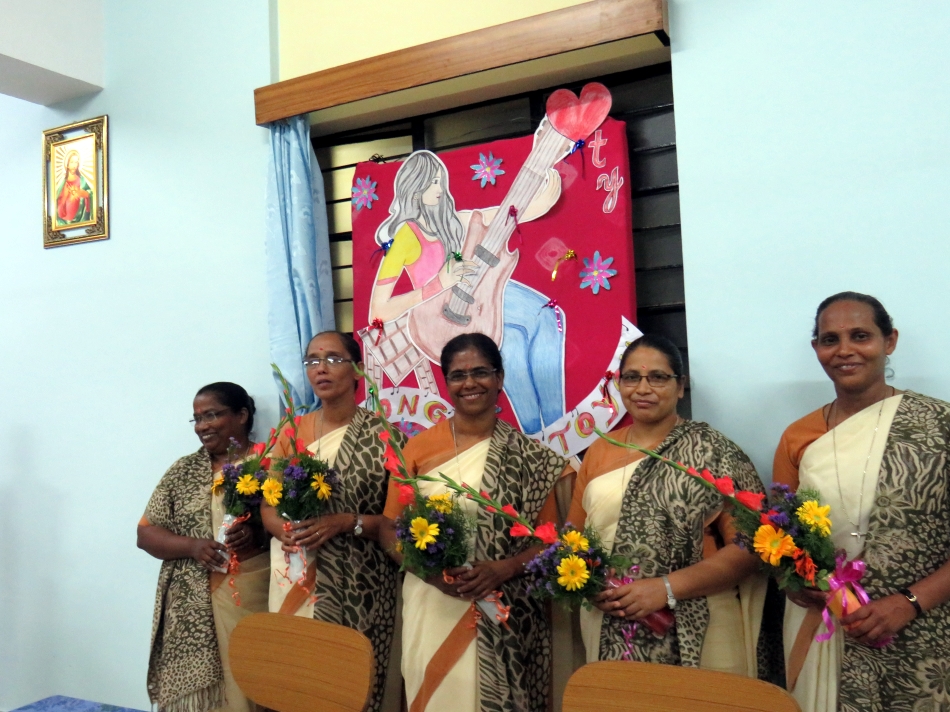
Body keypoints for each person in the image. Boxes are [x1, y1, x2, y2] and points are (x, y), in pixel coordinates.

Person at [773, 292, 950, 712]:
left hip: (923, 625)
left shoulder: (939, 425)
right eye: (830, 339)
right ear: (816, 349)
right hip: (827, 625)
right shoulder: (798, 436)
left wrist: (909, 602)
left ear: (889, 341)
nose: (845, 350)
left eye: (861, 336)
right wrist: (797, 585)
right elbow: (775, 538)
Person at [380, 333, 571, 712]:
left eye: (481, 372)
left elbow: (549, 540)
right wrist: (434, 576)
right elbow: (389, 529)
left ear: (499, 378)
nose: (470, 383)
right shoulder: (417, 448)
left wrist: (503, 569)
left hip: (502, 603)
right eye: (458, 375)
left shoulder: (531, 457)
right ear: (446, 384)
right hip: (431, 600)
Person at [567, 334, 769, 675]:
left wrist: (665, 588)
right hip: (614, 623)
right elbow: (573, 536)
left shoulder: (714, 451)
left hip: (702, 619)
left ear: (680, 387)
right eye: (631, 377)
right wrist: (591, 582)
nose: (643, 388)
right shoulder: (599, 451)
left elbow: (753, 546)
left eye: (658, 377)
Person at [368, 149, 565, 435]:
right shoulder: (406, 237)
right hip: (440, 319)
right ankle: (534, 434)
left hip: (481, 297)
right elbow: (378, 310)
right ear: (413, 190)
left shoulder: (452, 221)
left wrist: (541, 199)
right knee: (510, 344)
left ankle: (558, 425)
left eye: (439, 181)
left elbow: (502, 214)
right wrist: (438, 284)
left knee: (548, 315)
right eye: (430, 183)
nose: (439, 189)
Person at [261, 331, 405, 712]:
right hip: (297, 573)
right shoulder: (290, 432)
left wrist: (348, 522)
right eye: (312, 361)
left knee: (350, 687)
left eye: (333, 359)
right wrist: (286, 533)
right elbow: (268, 507)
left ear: (358, 369)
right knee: (300, 683)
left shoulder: (386, 437)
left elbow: (396, 524)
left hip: (363, 583)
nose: (321, 369)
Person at [138, 383, 269, 712]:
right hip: (190, 606)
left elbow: (293, 526)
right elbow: (146, 534)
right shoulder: (183, 470)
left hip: (252, 596)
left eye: (211, 415)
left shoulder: (270, 461)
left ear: (241, 415)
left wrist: (256, 536)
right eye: (197, 419)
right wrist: (193, 546)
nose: (203, 426)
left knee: (253, 687)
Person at [55, 149, 93, 225]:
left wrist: (86, 194)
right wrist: (65, 196)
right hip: (64, 221)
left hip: (81, 218)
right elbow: (57, 206)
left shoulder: (82, 181)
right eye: (72, 162)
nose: (74, 165)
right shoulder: (63, 184)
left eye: (76, 162)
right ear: (67, 164)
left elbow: (91, 194)